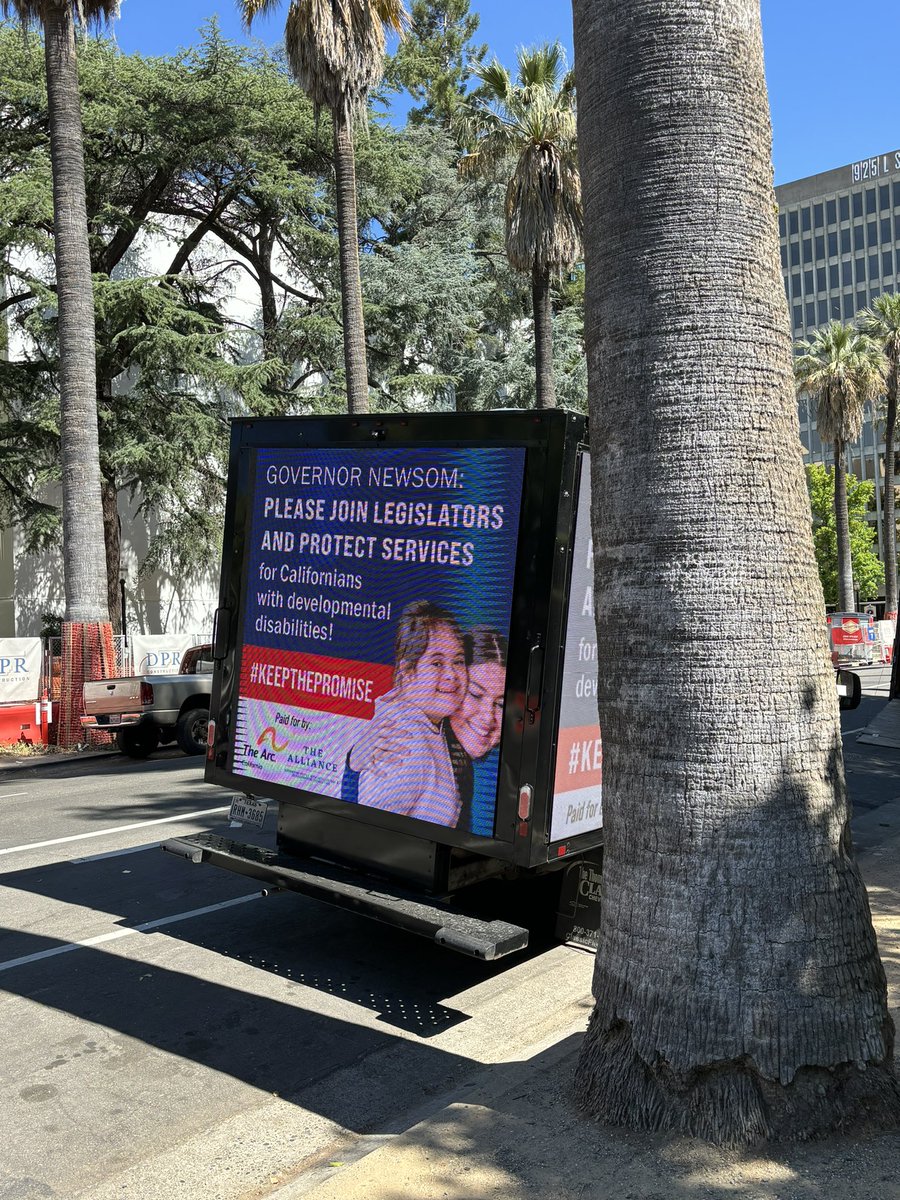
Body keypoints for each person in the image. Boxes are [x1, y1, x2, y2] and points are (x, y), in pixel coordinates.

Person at [348, 600, 466, 827]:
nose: (452, 674)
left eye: (458, 661)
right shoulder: (405, 739)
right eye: (437, 663)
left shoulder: (430, 723)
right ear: (407, 672)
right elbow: (369, 831)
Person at [447, 627, 507, 837]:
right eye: (475, 694)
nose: (487, 717)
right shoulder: (419, 750)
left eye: (500, 704)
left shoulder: (459, 765)